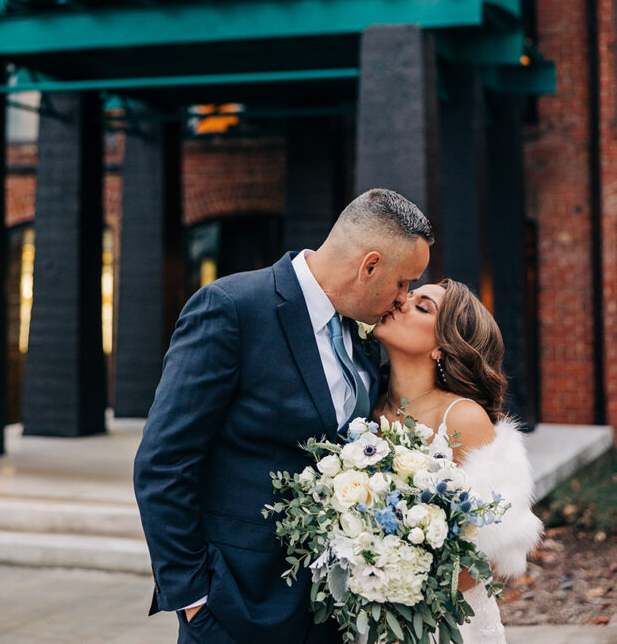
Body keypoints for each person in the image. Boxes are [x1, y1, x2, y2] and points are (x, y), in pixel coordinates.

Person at [133, 188, 433, 644]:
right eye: (402, 282)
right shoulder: (232, 308)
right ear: (368, 266)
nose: (402, 298)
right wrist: (193, 597)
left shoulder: (364, 337)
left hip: (329, 612)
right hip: (235, 606)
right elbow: (163, 463)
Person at [372, 279, 543, 644]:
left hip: (443, 624)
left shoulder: (461, 418)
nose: (401, 300)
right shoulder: (363, 407)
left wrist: (395, 567)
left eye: (422, 306)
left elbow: (485, 556)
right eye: (409, 293)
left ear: (441, 347)